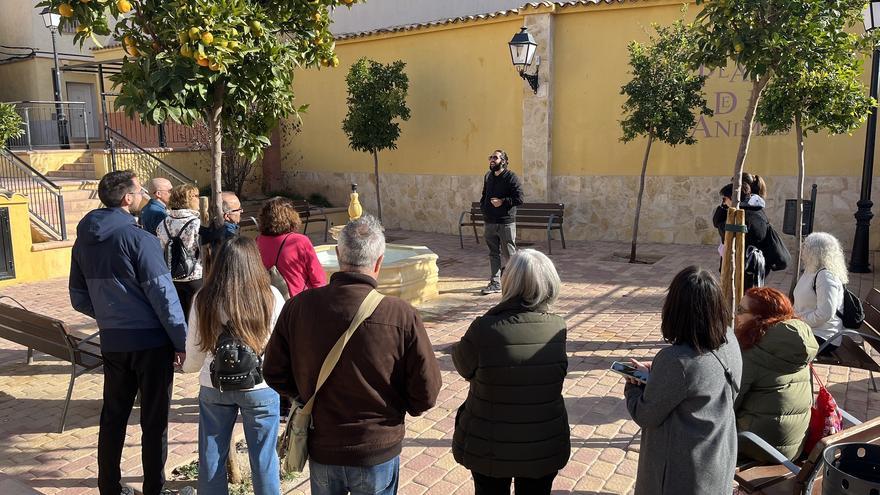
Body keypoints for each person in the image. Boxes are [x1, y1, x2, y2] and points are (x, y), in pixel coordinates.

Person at [263, 215, 441, 495]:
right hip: (377, 445)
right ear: (379, 262)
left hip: (324, 443)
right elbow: (426, 391)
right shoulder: (400, 314)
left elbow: (273, 370)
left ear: (338, 254)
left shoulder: (299, 307)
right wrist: (399, 410)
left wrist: (304, 397)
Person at [69, 170, 186, 495]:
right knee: (153, 421)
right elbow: (164, 297)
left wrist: (110, 315)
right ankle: (154, 489)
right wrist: (180, 340)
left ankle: (109, 487)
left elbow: (78, 297)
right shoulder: (140, 239)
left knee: (113, 416)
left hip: (114, 342)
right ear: (126, 198)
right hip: (151, 343)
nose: (143, 195)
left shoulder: (83, 242)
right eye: (139, 191)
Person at [452, 249, 570, 495]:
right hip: (542, 443)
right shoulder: (558, 328)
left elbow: (463, 367)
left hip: (489, 444)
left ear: (509, 283)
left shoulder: (484, 328)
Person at [623, 266, 742, 495]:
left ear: (674, 309)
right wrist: (658, 374)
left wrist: (632, 387)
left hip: (681, 472)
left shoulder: (676, 361)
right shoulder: (729, 338)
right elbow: (698, 388)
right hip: (718, 456)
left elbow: (646, 414)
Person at [183, 236, 286, 495]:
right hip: (260, 384)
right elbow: (282, 346)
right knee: (265, 459)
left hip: (214, 384)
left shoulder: (203, 298)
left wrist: (189, 369)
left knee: (211, 458)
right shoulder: (270, 296)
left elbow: (194, 353)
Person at [734, 287, 818, 462]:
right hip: (795, 444)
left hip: (760, 445)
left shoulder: (753, 352)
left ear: (758, 318)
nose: (736, 315)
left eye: (741, 310)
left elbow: (730, 403)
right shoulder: (798, 342)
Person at [256, 196, 326, 297]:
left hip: (271, 302)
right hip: (298, 301)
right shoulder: (299, 241)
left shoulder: (258, 241)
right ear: (291, 216)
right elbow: (318, 279)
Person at [793, 232, 848, 355]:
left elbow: (824, 314)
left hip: (823, 336)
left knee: (773, 342)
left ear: (816, 252)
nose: (801, 250)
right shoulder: (811, 270)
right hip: (806, 328)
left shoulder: (826, 276)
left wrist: (797, 320)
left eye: (806, 247)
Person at [479, 149, 524, 295]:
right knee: (493, 254)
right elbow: (484, 195)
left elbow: (519, 199)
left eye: (495, 158)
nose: (492, 160)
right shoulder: (488, 177)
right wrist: (484, 208)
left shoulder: (511, 177)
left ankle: (517, 284)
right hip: (490, 222)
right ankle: (495, 283)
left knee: (510, 255)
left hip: (505, 223)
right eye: (491, 157)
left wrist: (502, 202)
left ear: (503, 161)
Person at [156, 184, 203, 323]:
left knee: (180, 318)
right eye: (196, 196)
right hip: (195, 276)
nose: (199, 199)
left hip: (172, 277)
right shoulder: (196, 223)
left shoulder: (163, 223)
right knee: (198, 319)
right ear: (188, 199)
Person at [712, 181, 770, 288]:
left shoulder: (743, 216)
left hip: (744, 267)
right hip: (751, 266)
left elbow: (723, 230)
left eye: (724, 199)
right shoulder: (756, 208)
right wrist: (725, 206)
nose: (723, 202)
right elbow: (717, 223)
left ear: (733, 198)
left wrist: (725, 210)